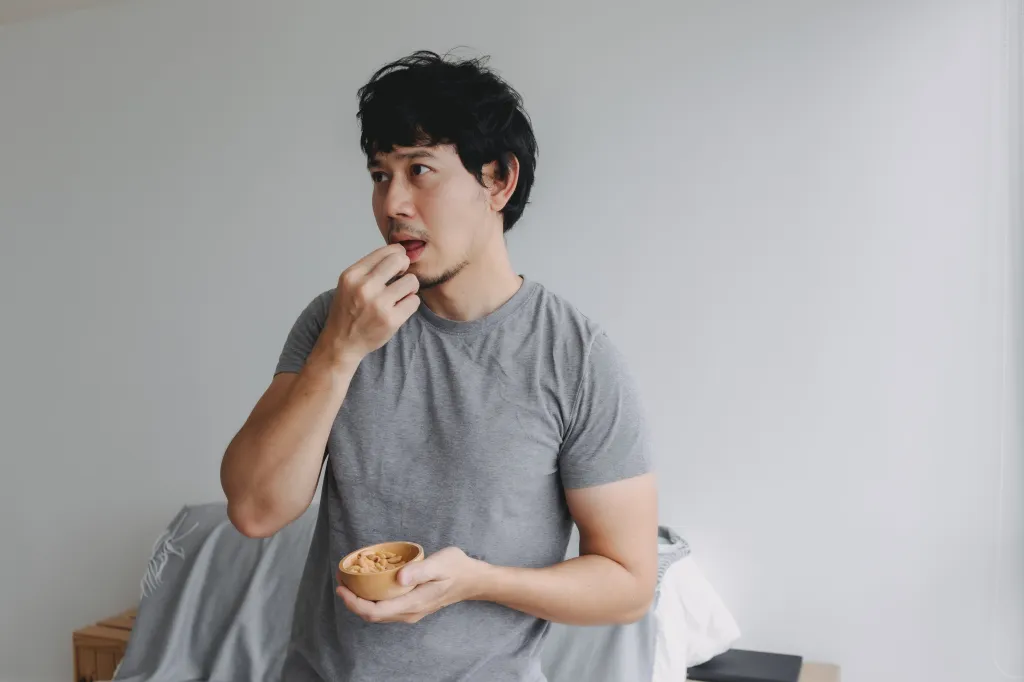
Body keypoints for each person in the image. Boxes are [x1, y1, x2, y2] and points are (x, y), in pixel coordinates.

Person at [220, 49, 658, 682]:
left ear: (498, 180)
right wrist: (340, 352)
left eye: (419, 170)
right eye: (380, 175)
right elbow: (255, 510)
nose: (392, 203)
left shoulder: (576, 358)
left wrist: (477, 582)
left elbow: (629, 585)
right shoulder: (337, 320)